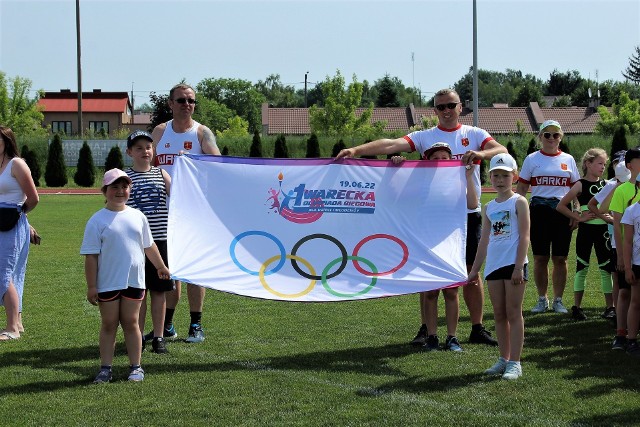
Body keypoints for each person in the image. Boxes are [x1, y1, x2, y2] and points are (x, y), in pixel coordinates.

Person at [336, 88, 507, 346]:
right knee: (427, 271)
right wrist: (356, 150)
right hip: (433, 216)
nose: (447, 110)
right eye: (441, 107)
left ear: (461, 107)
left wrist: (482, 154)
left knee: (471, 274)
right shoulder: (425, 136)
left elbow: (500, 149)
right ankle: (427, 329)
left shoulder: (474, 134)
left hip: (466, 214)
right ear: (435, 110)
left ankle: (477, 327)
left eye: (451, 105)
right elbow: (391, 144)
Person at [81, 169, 171, 383]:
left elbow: (149, 245)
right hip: (108, 283)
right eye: (114, 187)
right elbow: (91, 257)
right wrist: (92, 286)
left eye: (124, 187)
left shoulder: (138, 216)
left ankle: (136, 366)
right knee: (109, 324)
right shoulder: (97, 221)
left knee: (132, 323)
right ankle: (105, 368)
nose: (120, 191)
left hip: (134, 281)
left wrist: (161, 266)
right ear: (105, 191)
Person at [151, 83, 221, 343]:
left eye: (191, 101)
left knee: (193, 271)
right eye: (181, 100)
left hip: (193, 215)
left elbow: (218, 167)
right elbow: (149, 164)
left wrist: (194, 162)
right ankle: (167, 325)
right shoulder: (160, 132)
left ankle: (196, 325)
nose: (186, 105)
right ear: (170, 104)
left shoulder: (202, 133)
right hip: (163, 213)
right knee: (167, 271)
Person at [393, 142, 478, 351]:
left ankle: (452, 337)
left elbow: (472, 204)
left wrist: (468, 176)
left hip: (451, 242)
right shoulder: (419, 180)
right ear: (426, 162)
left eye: (445, 157)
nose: (441, 161)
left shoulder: (458, 178)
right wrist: (398, 168)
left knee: (451, 292)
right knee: (430, 292)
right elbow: (397, 197)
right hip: (427, 242)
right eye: (435, 157)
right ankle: (432, 336)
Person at [468, 153, 529, 380]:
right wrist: (475, 270)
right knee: (499, 314)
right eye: (496, 175)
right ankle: (503, 359)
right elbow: (484, 240)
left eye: (505, 175)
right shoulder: (489, 206)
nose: (500, 180)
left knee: (514, 313)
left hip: (513, 265)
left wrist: (518, 266)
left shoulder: (520, 202)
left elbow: (524, 236)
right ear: (489, 177)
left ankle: (516, 362)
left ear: (514, 177)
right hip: (493, 266)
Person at [516, 120, 579, 314]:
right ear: (540, 136)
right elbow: (522, 188)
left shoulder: (568, 159)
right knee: (540, 258)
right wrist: (519, 211)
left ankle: (558, 300)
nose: (551, 138)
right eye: (547, 134)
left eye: (556, 135)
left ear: (561, 137)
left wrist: (576, 209)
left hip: (561, 212)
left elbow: (576, 188)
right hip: (539, 212)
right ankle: (542, 299)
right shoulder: (532, 159)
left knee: (560, 258)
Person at [125, 130, 173, 354]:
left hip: (161, 241)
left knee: (160, 292)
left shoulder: (162, 174)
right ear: (129, 152)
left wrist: (187, 166)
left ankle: (159, 336)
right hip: (135, 243)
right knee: (139, 292)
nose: (145, 151)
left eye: (148, 147)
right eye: (139, 148)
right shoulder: (125, 178)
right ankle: (139, 336)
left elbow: (181, 195)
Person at [556, 148, 613, 320]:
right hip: (586, 232)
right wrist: (579, 217)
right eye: (599, 163)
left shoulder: (607, 185)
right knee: (581, 268)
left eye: (605, 164)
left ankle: (610, 307)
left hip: (603, 231)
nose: (603, 167)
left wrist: (607, 216)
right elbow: (561, 206)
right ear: (588, 164)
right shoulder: (580, 184)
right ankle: (577, 307)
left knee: (606, 269)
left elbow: (610, 208)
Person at [0, 126, 39, 341]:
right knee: (11, 275)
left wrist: (20, 217)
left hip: (12, 224)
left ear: (7, 141)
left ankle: (12, 328)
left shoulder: (17, 164)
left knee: (4, 274)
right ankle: (18, 323)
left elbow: (33, 198)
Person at [601, 147, 640, 352]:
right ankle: (621, 334)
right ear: (630, 165)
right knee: (624, 293)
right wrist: (620, 256)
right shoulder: (622, 190)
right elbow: (616, 225)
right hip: (626, 251)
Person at [587, 151, 630, 325]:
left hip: (633, 241)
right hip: (617, 240)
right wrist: (607, 218)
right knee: (619, 279)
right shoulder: (613, 186)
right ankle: (617, 314)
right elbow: (595, 205)